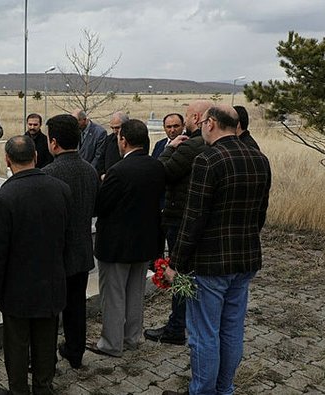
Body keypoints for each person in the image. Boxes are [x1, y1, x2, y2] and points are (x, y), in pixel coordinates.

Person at [162, 105, 271, 395]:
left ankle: (202, 391)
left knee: (203, 334)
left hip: (210, 265)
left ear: (210, 124)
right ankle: (225, 389)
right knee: (231, 330)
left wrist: (175, 263)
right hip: (246, 260)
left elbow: (193, 218)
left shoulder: (208, 160)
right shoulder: (259, 159)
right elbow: (260, 213)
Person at [0, 136, 71, 395]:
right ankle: (43, 386)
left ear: (7, 160)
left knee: (17, 343)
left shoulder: (5, 196)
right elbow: (66, 236)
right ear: (35, 156)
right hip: (52, 280)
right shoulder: (61, 188)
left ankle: (19, 390)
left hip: (17, 287)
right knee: (46, 340)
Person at [89, 119, 165, 358]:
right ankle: (132, 337)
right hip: (145, 242)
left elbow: (100, 206)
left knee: (113, 295)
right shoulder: (156, 166)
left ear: (124, 140)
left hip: (116, 244)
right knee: (135, 292)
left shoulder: (118, 171)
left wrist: (101, 185)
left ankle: (111, 343)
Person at [144, 100, 213, 346]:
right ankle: (184, 322)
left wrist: (169, 149)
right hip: (194, 218)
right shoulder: (208, 144)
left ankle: (176, 327)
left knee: (179, 273)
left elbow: (159, 173)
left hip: (179, 218)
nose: (176, 128)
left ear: (194, 117)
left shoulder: (190, 145)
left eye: (184, 118)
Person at [42, 114, 98, 369]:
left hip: (55, 256)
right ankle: (75, 352)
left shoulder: (47, 175)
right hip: (82, 252)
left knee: (51, 311)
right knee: (76, 307)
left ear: (53, 143)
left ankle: (47, 357)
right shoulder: (90, 171)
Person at [96, 111, 127, 180]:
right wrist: (102, 175)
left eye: (117, 128)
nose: (114, 131)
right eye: (112, 128)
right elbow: (100, 161)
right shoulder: (109, 140)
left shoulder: (133, 141)